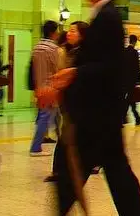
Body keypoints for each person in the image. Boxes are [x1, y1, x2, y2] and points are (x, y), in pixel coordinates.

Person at [47, 0, 140, 215]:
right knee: (115, 172)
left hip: (98, 115)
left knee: (79, 174)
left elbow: (110, 66)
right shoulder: (103, 16)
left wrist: (75, 72)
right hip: (101, 115)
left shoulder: (109, 17)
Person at [45, 21, 94, 183]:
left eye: (73, 31)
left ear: (82, 35)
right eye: (69, 30)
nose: (69, 33)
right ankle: (59, 170)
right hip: (70, 101)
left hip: (82, 103)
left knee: (73, 137)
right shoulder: (68, 50)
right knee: (66, 136)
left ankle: (64, 170)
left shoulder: (85, 53)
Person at [29, 20, 60, 157]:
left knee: (46, 115)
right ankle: (35, 147)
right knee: (46, 116)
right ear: (53, 32)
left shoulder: (37, 47)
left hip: (39, 86)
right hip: (50, 87)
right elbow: (57, 68)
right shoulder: (52, 48)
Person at [123, 35, 140, 126]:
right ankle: (131, 117)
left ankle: (136, 118)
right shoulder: (135, 52)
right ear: (135, 42)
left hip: (124, 80)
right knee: (129, 99)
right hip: (131, 81)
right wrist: (138, 81)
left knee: (129, 99)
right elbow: (136, 68)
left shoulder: (125, 51)